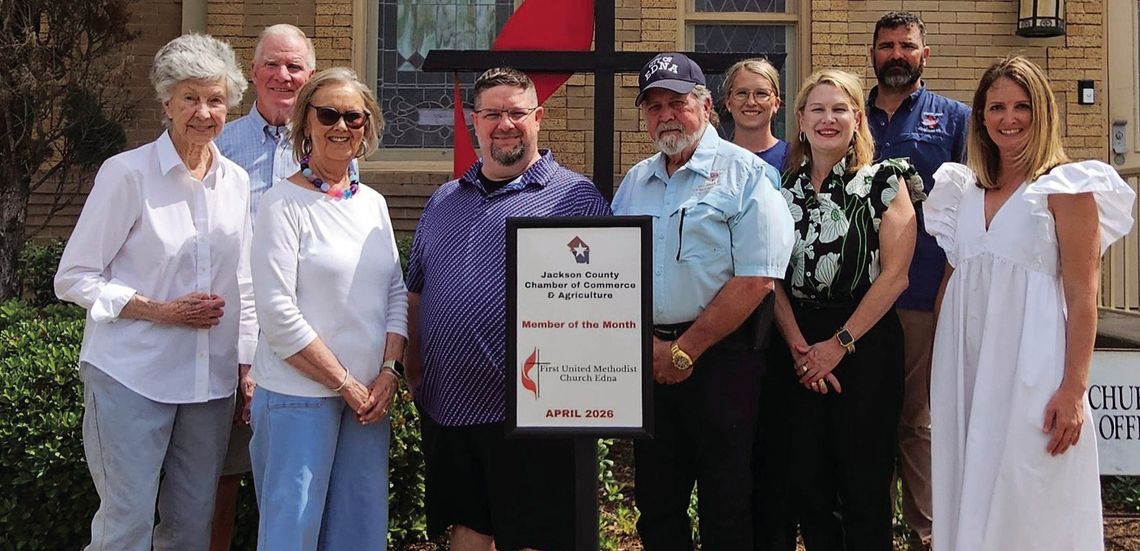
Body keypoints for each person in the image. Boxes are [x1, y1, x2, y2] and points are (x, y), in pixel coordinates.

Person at [54, 33, 256, 551]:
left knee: (192, 526)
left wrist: (248, 364)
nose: (203, 112)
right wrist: (159, 310)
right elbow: (74, 276)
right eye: (190, 98)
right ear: (167, 102)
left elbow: (247, 281)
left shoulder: (235, 181)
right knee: (126, 523)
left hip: (209, 384)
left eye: (215, 99)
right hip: (131, 375)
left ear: (231, 105)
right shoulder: (127, 174)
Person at [926, 55, 1135, 551]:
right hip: (967, 368)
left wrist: (1073, 388)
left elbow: (1085, 294)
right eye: (996, 106)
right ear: (980, 116)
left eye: (1022, 106)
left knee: (1028, 488)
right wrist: (941, 367)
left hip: (1034, 368)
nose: (1009, 118)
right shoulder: (961, 190)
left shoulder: (1066, 187)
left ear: (1042, 112)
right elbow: (953, 283)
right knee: (966, 481)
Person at [405, 67, 610, 551]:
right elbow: (416, 291)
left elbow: (605, 301)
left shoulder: (575, 198)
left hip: (535, 413)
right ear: (473, 121)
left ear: (538, 118)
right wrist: (413, 368)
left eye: (517, 113)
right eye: (492, 113)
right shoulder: (444, 200)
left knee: (533, 538)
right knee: (467, 531)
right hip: (449, 407)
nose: (505, 124)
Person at [612, 52, 793, 551]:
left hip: (724, 360)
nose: (665, 114)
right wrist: (649, 348)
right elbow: (614, 271)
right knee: (657, 501)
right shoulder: (635, 183)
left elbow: (758, 279)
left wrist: (686, 350)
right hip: (649, 359)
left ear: (707, 106)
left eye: (678, 102)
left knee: (727, 502)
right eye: (653, 106)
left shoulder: (748, 176)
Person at [248, 67, 407, 551]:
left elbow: (395, 293)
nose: (341, 126)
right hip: (298, 396)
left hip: (367, 402)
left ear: (367, 127)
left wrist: (389, 372)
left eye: (353, 117)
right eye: (329, 114)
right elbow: (278, 314)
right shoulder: (281, 204)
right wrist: (345, 383)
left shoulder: (373, 204)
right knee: (290, 537)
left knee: (359, 535)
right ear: (306, 123)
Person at [770, 69, 922, 550]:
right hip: (795, 338)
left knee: (864, 483)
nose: (828, 119)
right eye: (817, 109)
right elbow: (766, 275)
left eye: (839, 109)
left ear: (858, 118)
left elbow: (895, 276)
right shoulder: (781, 188)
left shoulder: (885, 182)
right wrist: (801, 350)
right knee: (808, 483)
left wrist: (836, 347)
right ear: (800, 119)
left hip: (864, 338)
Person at [864, 12, 969, 547]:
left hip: (921, 293)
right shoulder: (848, 115)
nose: (897, 54)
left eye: (907, 45)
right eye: (887, 46)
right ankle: (867, 527)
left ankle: (927, 533)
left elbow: (973, 209)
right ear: (874, 53)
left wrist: (953, 282)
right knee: (865, 418)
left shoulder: (955, 120)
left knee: (915, 421)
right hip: (853, 299)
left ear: (924, 54)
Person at [210, 23, 315, 551]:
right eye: (272, 64)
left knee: (293, 484)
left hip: (304, 342)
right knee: (218, 480)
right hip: (228, 339)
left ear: (310, 76)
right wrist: (243, 354)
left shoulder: (329, 146)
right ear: (252, 74)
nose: (283, 75)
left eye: (294, 66)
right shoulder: (219, 145)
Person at [723, 57, 788, 171]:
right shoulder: (714, 160)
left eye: (761, 94)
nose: (751, 102)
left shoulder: (794, 159)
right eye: (742, 93)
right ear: (728, 103)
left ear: (776, 104)